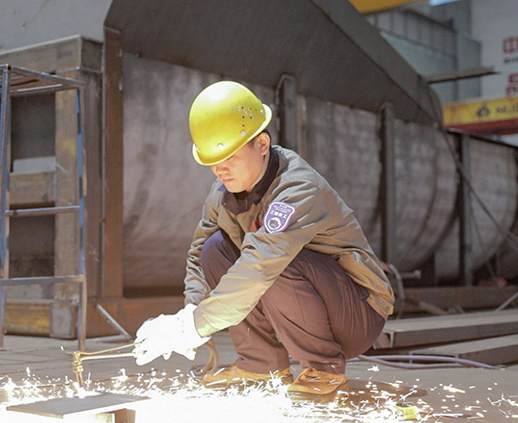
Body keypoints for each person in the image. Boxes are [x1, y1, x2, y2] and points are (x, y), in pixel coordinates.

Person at [133, 81, 394, 397]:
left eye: (230, 156)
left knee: (274, 261)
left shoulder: (297, 188)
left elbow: (260, 265)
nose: (220, 169)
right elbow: (199, 254)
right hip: (298, 288)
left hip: (357, 312)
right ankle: (261, 364)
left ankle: (323, 369)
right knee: (215, 248)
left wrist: (193, 327)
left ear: (262, 144)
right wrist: (191, 313)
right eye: (213, 161)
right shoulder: (221, 195)